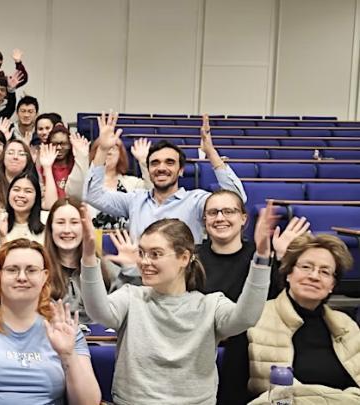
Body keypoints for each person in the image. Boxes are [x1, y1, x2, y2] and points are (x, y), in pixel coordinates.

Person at [81, 200, 278, 404]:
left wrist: (262, 259)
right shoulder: (131, 297)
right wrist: (88, 257)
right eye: (142, 253)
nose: (145, 262)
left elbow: (245, 318)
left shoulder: (210, 305)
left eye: (155, 254)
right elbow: (98, 311)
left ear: (184, 258)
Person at [0, 238, 101, 405]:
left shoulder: (65, 328)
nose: (22, 277)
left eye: (31, 270)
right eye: (12, 270)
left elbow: (89, 403)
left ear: (44, 276)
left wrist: (68, 355)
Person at [195, 190, 305, 404]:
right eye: (213, 212)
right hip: (203, 340)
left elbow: (278, 302)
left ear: (243, 218)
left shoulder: (261, 254)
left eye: (229, 211)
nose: (220, 218)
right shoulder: (191, 258)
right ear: (205, 219)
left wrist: (281, 258)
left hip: (252, 344)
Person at [84, 112, 246, 243]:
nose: (161, 168)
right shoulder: (135, 200)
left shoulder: (196, 201)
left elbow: (236, 199)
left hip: (183, 273)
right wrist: (102, 150)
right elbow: (92, 195)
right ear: (149, 169)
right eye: (155, 163)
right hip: (140, 272)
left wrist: (211, 152)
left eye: (169, 162)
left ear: (181, 170)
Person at [247, 234, 360, 399]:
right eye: (306, 267)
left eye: (325, 272)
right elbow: (232, 393)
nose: (314, 276)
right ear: (288, 273)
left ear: (332, 285)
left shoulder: (347, 326)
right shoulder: (254, 317)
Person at [66, 135, 151, 230]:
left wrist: (143, 161)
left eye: (113, 148)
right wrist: (81, 157)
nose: (108, 151)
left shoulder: (133, 183)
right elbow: (72, 194)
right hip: (91, 236)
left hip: (127, 237)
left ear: (120, 155)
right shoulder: (85, 181)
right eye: (103, 148)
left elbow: (152, 194)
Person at [43, 198, 92, 323]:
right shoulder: (38, 269)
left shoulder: (102, 268)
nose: (67, 230)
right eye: (60, 222)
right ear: (50, 228)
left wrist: (128, 270)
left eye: (74, 222)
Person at [0, 171, 48, 246]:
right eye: (16, 190)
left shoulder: (47, 221)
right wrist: (2, 236)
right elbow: (1, 253)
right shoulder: (1, 222)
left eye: (28, 191)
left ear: (37, 197)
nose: (21, 195)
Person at [0, 139, 36, 210]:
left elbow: (47, 205)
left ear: (27, 159)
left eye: (21, 154)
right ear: (3, 157)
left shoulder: (33, 182)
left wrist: (47, 168)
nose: (15, 157)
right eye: (10, 153)